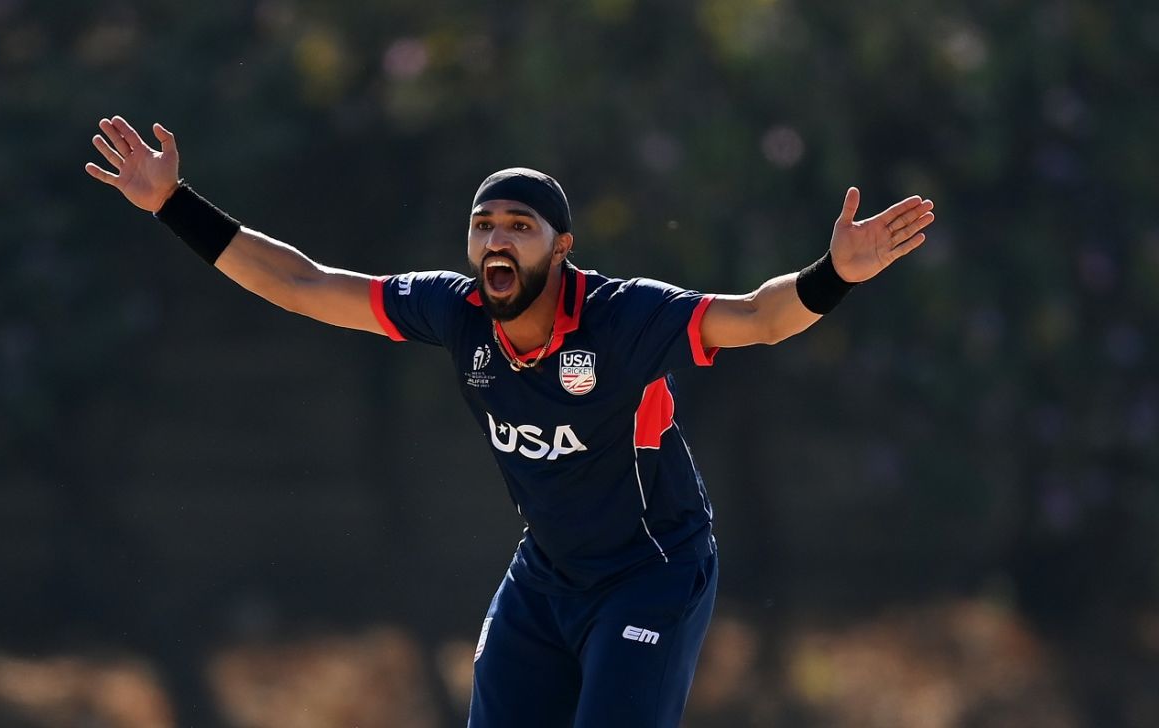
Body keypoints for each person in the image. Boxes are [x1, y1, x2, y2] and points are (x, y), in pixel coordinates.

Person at [85, 115, 935, 727]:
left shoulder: (623, 319)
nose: (498, 240)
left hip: (653, 573)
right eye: (483, 226)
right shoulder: (454, 314)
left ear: (561, 248)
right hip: (547, 575)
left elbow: (756, 317)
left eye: (520, 228)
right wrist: (172, 204)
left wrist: (837, 273)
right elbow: (304, 285)